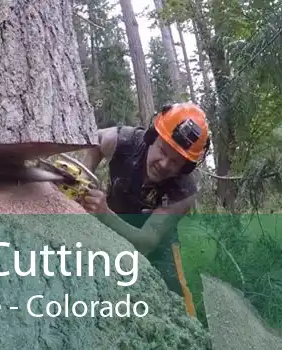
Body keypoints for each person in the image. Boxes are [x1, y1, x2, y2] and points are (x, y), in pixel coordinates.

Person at [79, 102, 211, 317]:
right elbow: (96, 140)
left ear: (186, 167)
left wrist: (103, 214)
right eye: (163, 151)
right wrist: (84, 177)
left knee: (176, 299)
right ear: (151, 137)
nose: (165, 164)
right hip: (113, 219)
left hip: (158, 243)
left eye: (176, 162)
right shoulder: (125, 140)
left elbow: (147, 242)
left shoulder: (184, 191)